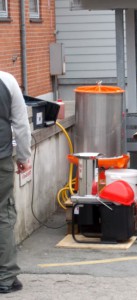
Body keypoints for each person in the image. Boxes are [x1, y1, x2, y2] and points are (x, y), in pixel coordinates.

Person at [0, 71, 32, 293]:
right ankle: (5, 277)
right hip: (0, 159)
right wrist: (23, 157)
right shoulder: (7, 81)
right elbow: (21, 124)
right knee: (3, 213)